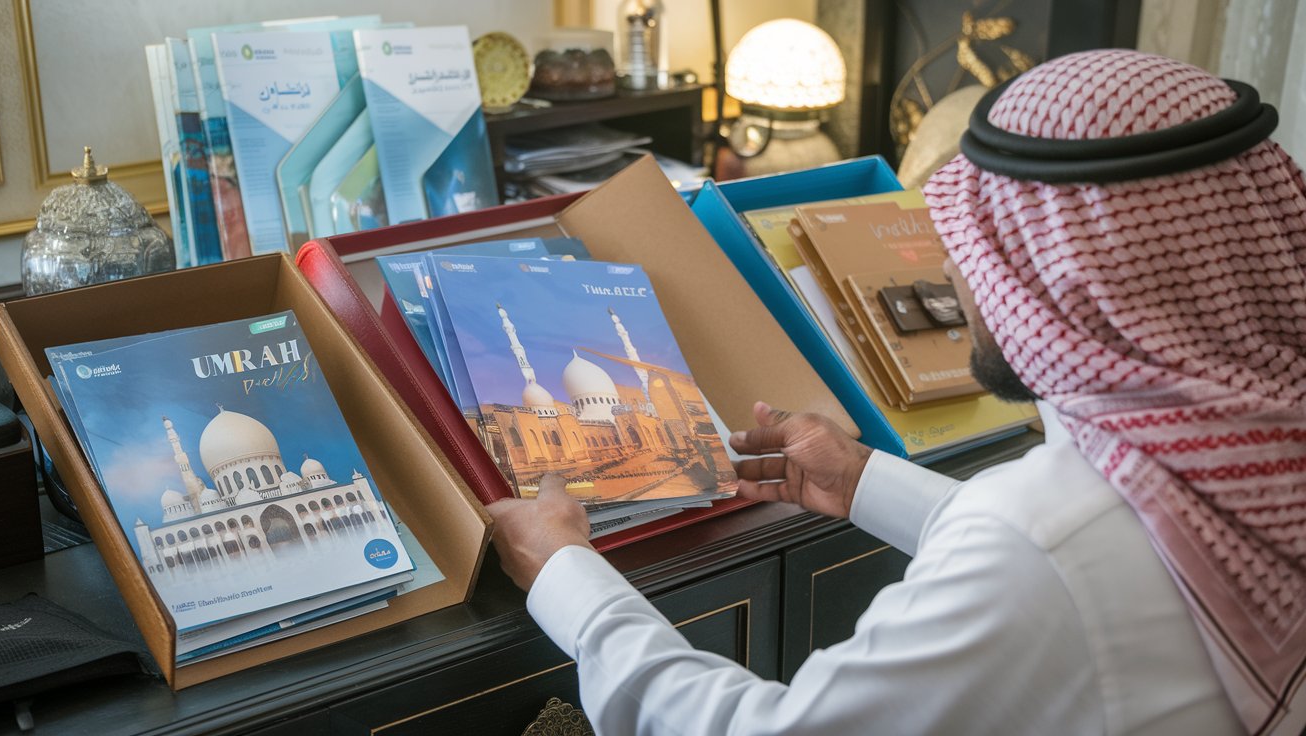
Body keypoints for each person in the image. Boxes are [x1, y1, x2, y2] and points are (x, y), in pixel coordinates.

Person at [487, 50, 1306, 735]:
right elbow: (1115, 560)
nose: (953, 274)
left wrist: (569, 578)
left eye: (975, 250)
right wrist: (865, 480)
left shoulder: (1041, 540)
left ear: (1070, 283)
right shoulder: (1254, 441)